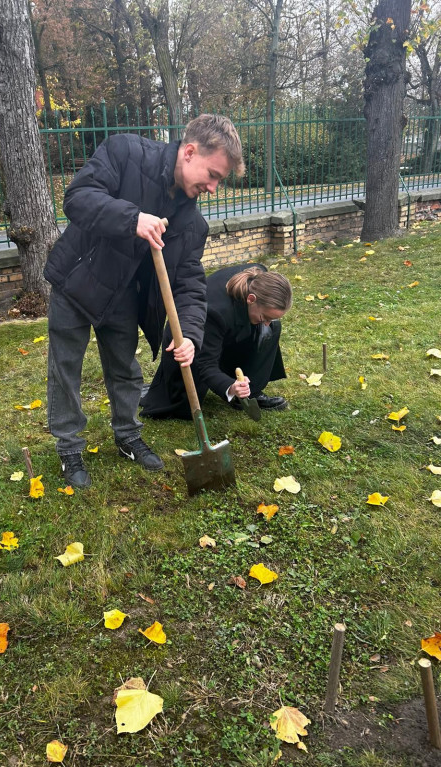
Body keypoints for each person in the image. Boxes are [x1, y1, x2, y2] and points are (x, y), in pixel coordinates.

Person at [43, 115, 245, 488]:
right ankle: (69, 446)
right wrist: (131, 217)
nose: (214, 187)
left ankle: (128, 434)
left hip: (123, 296)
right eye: (213, 174)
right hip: (76, 280)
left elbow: (189, 283)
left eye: (220, 180)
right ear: (188, 152)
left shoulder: (191, 224)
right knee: (65, 368)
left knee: (124, 368)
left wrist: (190, 336)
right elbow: (78, 198)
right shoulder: (125, 152)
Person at [140, 263, 292, 419]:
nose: (267, 322)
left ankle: (247, 393)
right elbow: (205, 363)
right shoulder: (215, 313)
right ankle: (232, 390)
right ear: (251, 299)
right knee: (180, 406)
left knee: (271, 328)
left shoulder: (258, 278)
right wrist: (229, 387)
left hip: (225, 329)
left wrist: (265, 320)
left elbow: (261, 322)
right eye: (264, 317)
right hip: (189, 340)